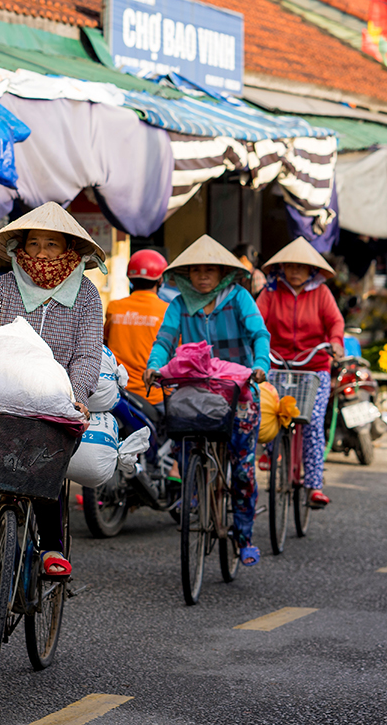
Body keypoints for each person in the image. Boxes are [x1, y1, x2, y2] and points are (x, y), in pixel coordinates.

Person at [0, 202, 104, 579]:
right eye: (34, 244)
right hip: (3, 400)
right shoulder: (3, 287)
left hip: (54, 404)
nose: (41, 254)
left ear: (69, 251)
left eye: (52, 245)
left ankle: (52, 549)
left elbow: (89, 353)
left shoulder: (87, 296)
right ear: (20, 249)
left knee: (46, 474)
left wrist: (74, 396)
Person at [143, 234, 270, 566]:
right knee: (186, 450)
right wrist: (154, 366)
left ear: (222, 273)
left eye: (209, 270)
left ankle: (244, 537)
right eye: (195, 270)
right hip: (196, 392)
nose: (201, 276)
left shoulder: (239, 297)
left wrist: (260, 366)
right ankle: (197, 494)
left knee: (243, 471)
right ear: (186, 275)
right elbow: (165, 340)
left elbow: (259, 335)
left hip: (239, 390)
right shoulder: (179, 304)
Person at [257, 237, 344, 509]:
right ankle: (271, 453)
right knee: (266, 412)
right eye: (290, 265)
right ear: (282, 267)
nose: (294, 271)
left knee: (314, 421)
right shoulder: (271, 291)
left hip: (314, 367)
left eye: (301, 266)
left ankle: (314, 485)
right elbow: (257, 321)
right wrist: (254, 344)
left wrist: (337, 343)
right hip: (277, 364)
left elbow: (335, 321)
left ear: (312, 270)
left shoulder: (321, 293)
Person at [105, 249, 168, 407]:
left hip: (117, 393)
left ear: (130, 278)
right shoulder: (167, 311)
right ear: (160, 280)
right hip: (154, 396)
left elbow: (104, 344)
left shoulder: (114, 308)